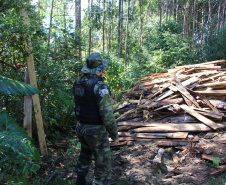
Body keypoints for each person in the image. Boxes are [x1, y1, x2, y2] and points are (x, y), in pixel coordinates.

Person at [73, 52, 119, 185]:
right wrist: (114, 135)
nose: (104, 71)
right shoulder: (99, 86)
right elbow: (107, 114)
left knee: (85, 155)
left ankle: (79, 182)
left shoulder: (78, 82)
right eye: (101, 69)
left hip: (81, 127)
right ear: (96, 70)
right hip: (95, 130)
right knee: (103, 160)